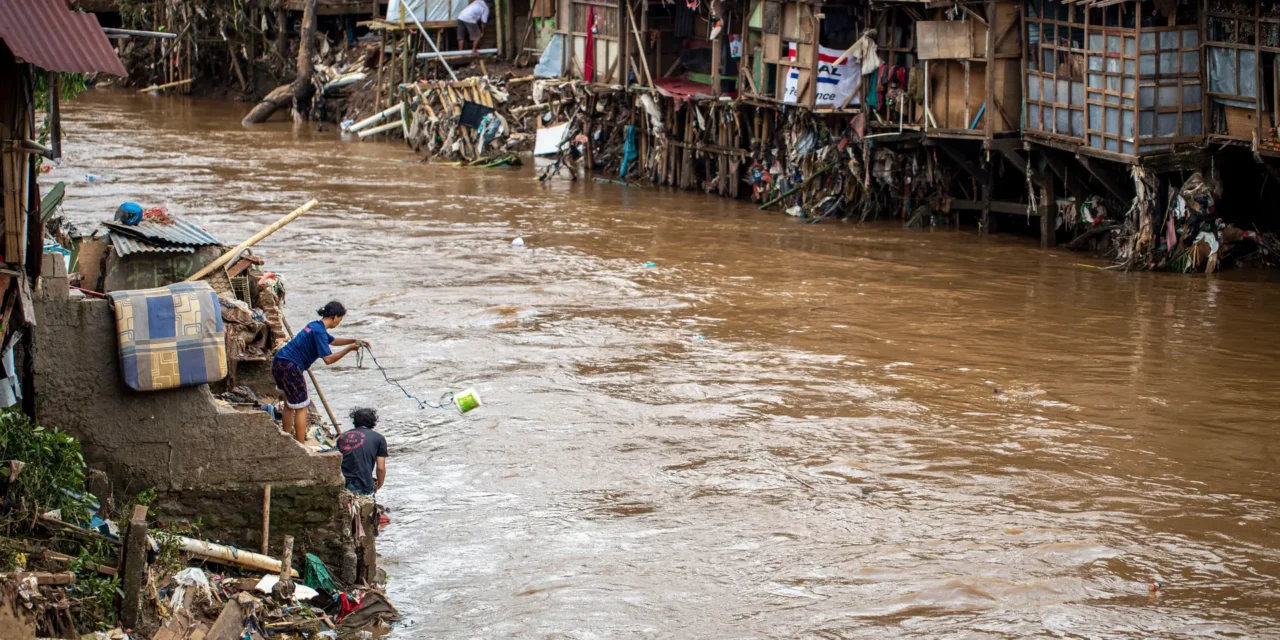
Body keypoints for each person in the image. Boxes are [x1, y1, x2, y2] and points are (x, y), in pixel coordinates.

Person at [271, 301, 367, 443]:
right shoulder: (320, 332)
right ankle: (300, 445)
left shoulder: (314, 325)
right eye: (340, 319)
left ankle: (286, 438)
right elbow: (328, 359)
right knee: (302, 406)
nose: (339, 323)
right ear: (335, 317)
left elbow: (333, 341)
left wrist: (354, 340)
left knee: (289, 403)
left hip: (279, 362)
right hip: (291, 367)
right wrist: (349, 349)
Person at [337, 407, 387, 495]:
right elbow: (380, 468)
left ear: (354, 421)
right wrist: (379, 484)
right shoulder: (379, 438)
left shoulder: (343, 436)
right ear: (373, 422)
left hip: (341, 482)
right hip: (362, 485)